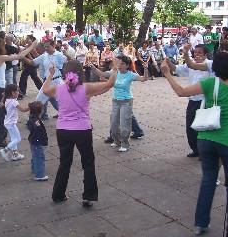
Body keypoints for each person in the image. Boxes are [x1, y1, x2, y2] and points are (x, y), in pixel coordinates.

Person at [160, 52, 228, 237]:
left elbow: (181, 92)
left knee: (208, 181)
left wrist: (167, 74)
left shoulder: (210, 84)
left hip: (206, 139)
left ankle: (200, 224)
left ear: (215, 69)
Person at [43, 60, 117, 207]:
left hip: (63, 130)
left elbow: (45, 90)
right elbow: (109, 84)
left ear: (65, 73)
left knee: (64, 162)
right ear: (80, 73)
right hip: (82, 129)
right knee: (88, 162)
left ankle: (58, 194)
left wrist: (50, 75)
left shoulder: (59, 88)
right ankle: (88, 196)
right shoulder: (86, 88)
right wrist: (114, 70)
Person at [0, 37, 38, 153]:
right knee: (1, 117)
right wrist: (32, 46)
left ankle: (0, 139)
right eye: (2, 44)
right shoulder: (0, 57)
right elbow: (19, 57)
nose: (4, 46)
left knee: (4, 115)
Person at [93, 56, 148, 152]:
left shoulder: (130, 75)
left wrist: (146, 68)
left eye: (122, 64)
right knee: (114, 124)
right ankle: (117, 141)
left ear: (127, 65)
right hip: (115, 101)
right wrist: (92, 67)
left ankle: (125, 144)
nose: (120, 65)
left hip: (126, 101)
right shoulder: (114, 72)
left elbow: (143, 79)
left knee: (124, 124)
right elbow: (101, 73)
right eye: (119, 63)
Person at [165, 44, 210, 157]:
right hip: (192, 100)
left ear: (205, 54)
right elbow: (177, 69)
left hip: (204, 100)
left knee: (202, 127)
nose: (197, 55)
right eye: (195, 52)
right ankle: (196, 149)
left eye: (200, 53)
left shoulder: (209, 65)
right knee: (190, 127)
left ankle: (204, 152)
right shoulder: (189, 64)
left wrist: (185, 53)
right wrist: (168, 62)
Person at [23, 40, 69, 120]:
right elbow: (32, 62)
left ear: (53, 45)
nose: (46, 48)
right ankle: (34, 119)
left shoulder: (59, 55)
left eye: (48, 46)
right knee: (39, 100)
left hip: (57, 81)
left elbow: (68, 62)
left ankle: (67, 115)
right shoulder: (44, 55)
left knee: (62, 100)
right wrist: (21, 57)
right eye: (45, 47)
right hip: (47, 82)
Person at [0, 84, 30, 161]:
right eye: (17, 91)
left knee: (14, 139)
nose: (18, 92)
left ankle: (14, 154)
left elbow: (1, 104)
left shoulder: (6, 100)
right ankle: (5, 150)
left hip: (8, 122)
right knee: (18, 138)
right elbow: (23, 110)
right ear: (12, 93)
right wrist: (31, 106)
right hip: (11, 124)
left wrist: (3, 96)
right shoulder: (13, 102)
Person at [27, 101, 49, 181]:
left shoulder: (32, 118)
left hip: (33, 141)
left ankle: (34, 168)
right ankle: (40, 175)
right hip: (37, 142)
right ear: (40, 111)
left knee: (35, 156)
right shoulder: (36, 121)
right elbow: (38, 131)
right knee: (39, 157)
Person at [18, 36, 43, 100]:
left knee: (23, 77)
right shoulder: (27, 47)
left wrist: (27, 54)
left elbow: (34, 58)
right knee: (34, 77)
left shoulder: (33, 48)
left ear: (31, 40)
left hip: (31, 64)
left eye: (28, 39)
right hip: (29, 64)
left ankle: (21, 92)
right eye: (26, 38)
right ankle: (42, 88)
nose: (26, 40)